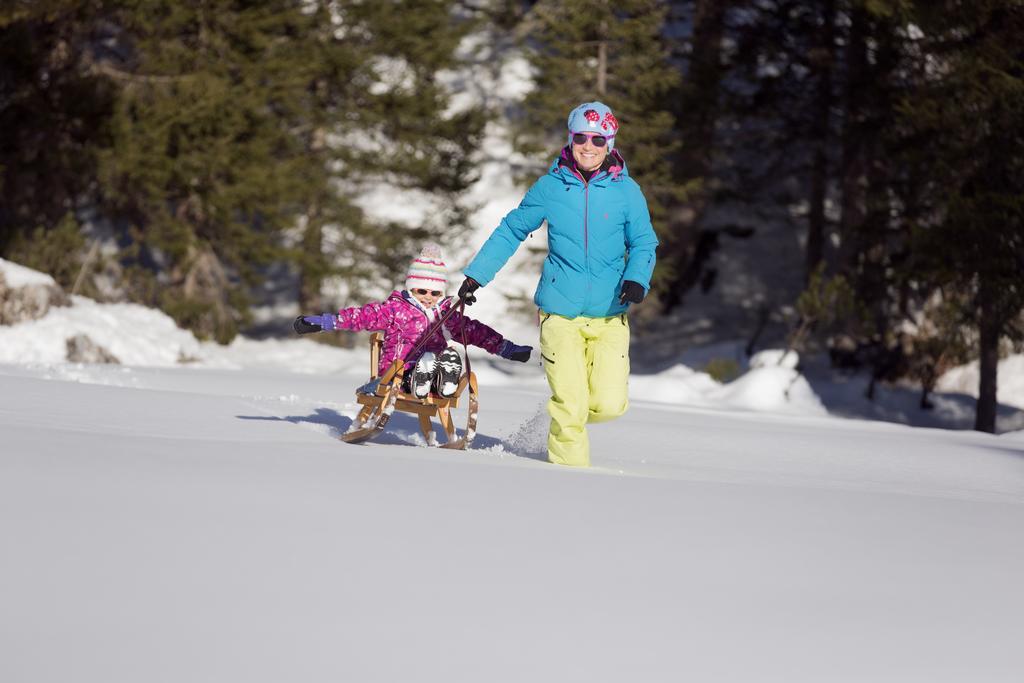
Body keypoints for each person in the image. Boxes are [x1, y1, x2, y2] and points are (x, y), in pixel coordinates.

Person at [458, 101, 658, 467]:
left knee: (609, 405)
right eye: (581, 137)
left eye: (598, 140)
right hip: (559, 314)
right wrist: (477, 274)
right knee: (571, 403)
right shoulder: (550, 187)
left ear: (610, 143)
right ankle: (568, 480)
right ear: (571, 138)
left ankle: (566, 421)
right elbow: (512, 228)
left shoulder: (627, 192)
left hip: (610, 314)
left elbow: (644, 242)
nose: (588, 146)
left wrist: (636, 278)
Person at [294, 243, 532, 398]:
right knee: (418, 366)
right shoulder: (396, 310)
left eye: (434, 293)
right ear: (411, 289)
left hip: (432, 375)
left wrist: (507, 349)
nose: (428, 298)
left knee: (443, 359)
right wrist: (321, 322)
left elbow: (476, 332)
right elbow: (361, 317)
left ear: (441, 292)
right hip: (396, 375)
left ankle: (443, 379)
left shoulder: (446, 315)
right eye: (421, 291)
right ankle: (422, 376)